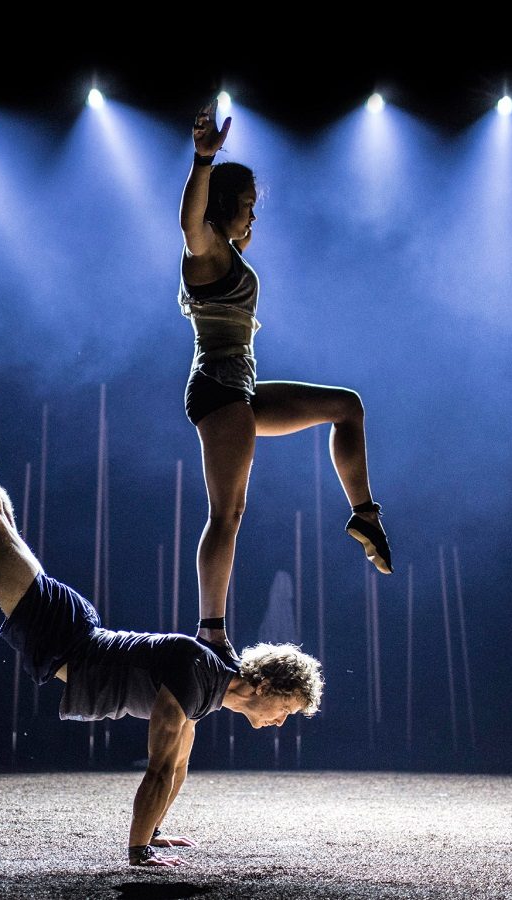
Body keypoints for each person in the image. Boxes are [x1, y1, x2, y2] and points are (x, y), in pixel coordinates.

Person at [0, 342, 323, 868]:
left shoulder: (209, 689)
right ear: (266, 687)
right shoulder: (197, 674)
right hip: (64, 635)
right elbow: (159, 770)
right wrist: (139, 850)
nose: (282, 722)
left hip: (72, 633)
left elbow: (179, 769)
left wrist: (157, 829)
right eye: (287, 710)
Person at [179, 100, 394, 663]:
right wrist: (203, 161)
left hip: (242, 392)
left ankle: (364, 514)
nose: (254, 218)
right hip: (218, 391)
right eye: (247, 207)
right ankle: (212, 633)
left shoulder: (229, 255)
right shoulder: (204, 255)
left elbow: (223, 235)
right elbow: (190, 226)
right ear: (223, 207)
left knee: (347, 406)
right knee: (227, 513)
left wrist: (235, 224)